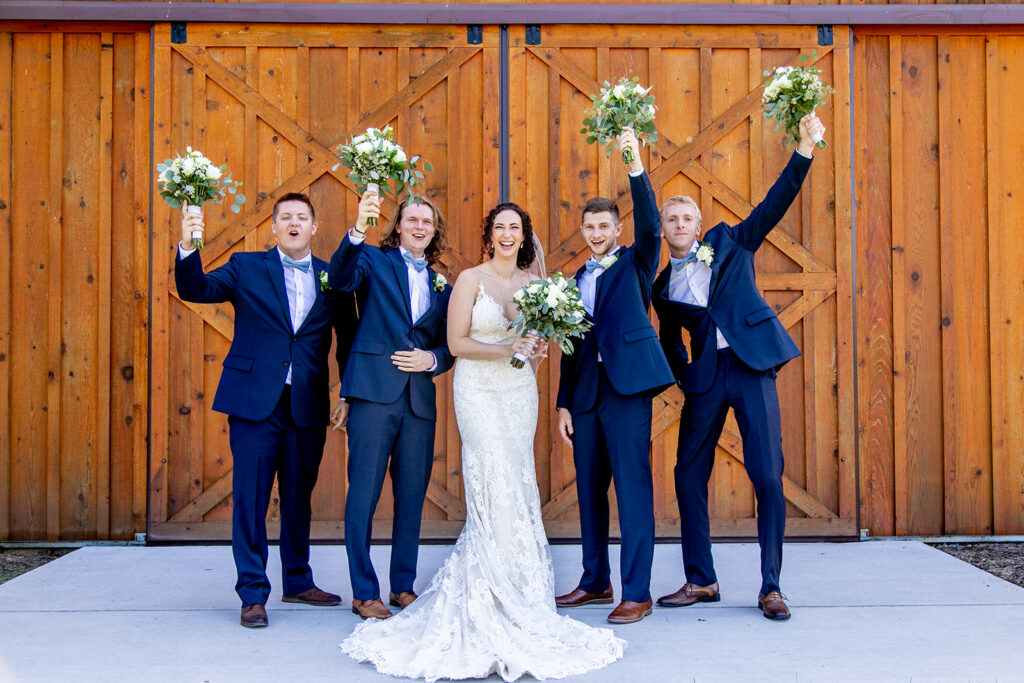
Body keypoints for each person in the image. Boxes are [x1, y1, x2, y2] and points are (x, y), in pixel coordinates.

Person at [341, 202, 625, 681]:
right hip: (475, 393)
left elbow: (534, 346)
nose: (508, 234)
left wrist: (531, 350)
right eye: (500, 228)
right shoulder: (467, 281)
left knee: (513, 482)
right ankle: (423, 587)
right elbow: (455, 344)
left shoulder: (537, 287)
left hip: (517, 395)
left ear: (524, 235)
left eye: (516, 227)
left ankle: (509, 586)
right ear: (489, 235)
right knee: (482, 477)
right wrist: (505, 349)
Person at [650, 113, 826, 621]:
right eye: (671, 220)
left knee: (768, 476)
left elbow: (776, 201)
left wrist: (805, 149)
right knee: (687, 475)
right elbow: (669, 342)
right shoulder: (662, 286)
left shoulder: (731, 241)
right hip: (706, 381)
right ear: (662, 230)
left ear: (699, 226)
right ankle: (701, 580)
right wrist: (687, 378)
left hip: (751, 368)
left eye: (686, 218)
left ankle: (772, 586)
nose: (679, 226)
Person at [174, 193, 357, 628]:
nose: (294, 223)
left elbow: (347, 341)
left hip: (306, 404)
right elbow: (195, 289)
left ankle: (297, 581)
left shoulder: (334, 277)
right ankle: (253, 593)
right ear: (273, 228)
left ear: (314, 228)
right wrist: (187, 243)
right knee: (251, 500)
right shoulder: (246, 266)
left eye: (302, 218)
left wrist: (347, 393)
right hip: (254, 402)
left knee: (299, 498)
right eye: (285, 218)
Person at [554, 129, 675, 625]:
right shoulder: (572, 279)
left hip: (626, 391)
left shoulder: (637, 261)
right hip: (585, 395)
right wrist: (563, 402)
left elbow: (651, 221)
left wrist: (634, 161)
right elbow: (568, 345)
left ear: (618, 229)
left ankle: (638, 590)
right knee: (589, 489)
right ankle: (595, 580)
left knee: (632, 487)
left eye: (604, 226)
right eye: (589, 227)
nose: (597, 234)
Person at [328, 191, 455, 620]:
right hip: (372, 395)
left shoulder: (444, 286)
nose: (420, 227)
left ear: (434, 231)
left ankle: (403, 586)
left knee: (411, 497)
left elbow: (450, 345)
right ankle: (364, 592)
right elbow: (341, 279)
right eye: (412, 219)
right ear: (398, 225)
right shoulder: (372, 260)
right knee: (362, 495)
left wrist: (432, 360)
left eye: (428, 222)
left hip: (419, 401)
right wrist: (357, 229)